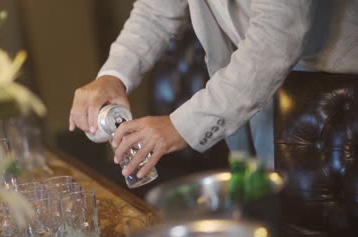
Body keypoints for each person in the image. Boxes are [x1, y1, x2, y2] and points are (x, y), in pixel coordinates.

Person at [69, 0, 358, 179]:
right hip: (254, 94)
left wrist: (181, 126)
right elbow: (155, 12)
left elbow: (275, 38)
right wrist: (113, 76)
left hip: (339, 102)